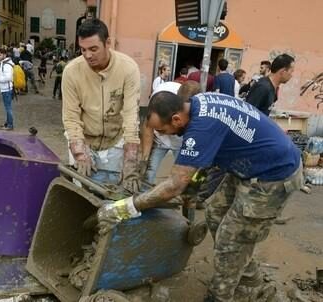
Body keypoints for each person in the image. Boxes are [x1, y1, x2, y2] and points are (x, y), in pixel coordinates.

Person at [97, 80, 303, 302]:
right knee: (215, 214)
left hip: (273, 175)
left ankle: (219, 296)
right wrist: (193, 192)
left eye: (163, 130)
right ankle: (247, 276)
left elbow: (175, 185)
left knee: (231, 238)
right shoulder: (197, 104)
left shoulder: (201, 127)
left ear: (176, 119)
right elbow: (205, 162)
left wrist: (125, 207)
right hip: (247, 165)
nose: (163, 135)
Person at [62, 18, 141, 192]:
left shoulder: (129, 69)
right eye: (83, 50)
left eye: (93, 49)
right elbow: (70, 117)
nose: (88, 55)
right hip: (84, 139)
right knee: (82, 192)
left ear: (108, 43)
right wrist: (80, 153)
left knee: (114, 192)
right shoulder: (71, 72)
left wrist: (131, 162)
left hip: (116, 139)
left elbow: (131, 116)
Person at [141, 82, 183, 184]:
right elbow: (148, 127)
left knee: (181, 176)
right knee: (149, 173)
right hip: (160, 143)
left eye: (162, 131)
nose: (160, 133)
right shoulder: (155, 103)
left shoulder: (186, 105)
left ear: (175, 120)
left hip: (182, 142)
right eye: (157, 130)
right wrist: (144, 159)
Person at [0, 48, 14, 130]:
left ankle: (10, 125)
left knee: (8, 108)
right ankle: (8, 123)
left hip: (7, 89)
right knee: (7, 108)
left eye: (0, 55)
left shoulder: (6, 65)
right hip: (5, 88)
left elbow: (8, 77)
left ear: (4, 55)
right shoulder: (4, 63)